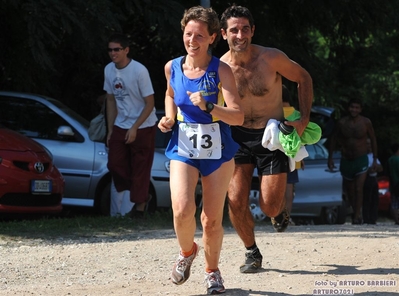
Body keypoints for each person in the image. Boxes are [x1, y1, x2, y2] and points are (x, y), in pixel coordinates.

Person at [220, 5, 313, 273]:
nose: (240, 35)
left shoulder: (271, 58)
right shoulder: (220, 68)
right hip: (235, 136)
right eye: (234, 30)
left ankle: (279, 210)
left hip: (270, 135)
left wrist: (303, 119)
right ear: (224, 34)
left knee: (269, 206)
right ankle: (251, 251)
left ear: (253, 30)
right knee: (236, 200)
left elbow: (303, 78)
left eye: (245, 29)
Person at [157, 6, 244, 294]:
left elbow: (237, 116)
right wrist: (169, 117)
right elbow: (171, 94)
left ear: (211, 39)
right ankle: (186, 252)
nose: (192, 40)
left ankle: (212, 272)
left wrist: (209, 106)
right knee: (182, 209)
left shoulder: (221, 70)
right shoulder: (172, 66)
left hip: (218, 149)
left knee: (211, 219)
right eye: (187, 34)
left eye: (199, 36)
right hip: (183, 144)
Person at [104, 33, 158, 218]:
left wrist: (135, 127)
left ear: (126, 50)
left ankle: (140, 206)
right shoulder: (109, 70)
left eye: (117, 49)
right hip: (121, 123)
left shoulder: (139, 70)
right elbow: (110, 100)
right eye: (110, 50)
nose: (113, 53)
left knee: (140, 167)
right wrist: (110, 129)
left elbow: (150, 103)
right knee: (114, 163)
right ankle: (139, 194)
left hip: (144, 124)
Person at [328, 98, 378, 224]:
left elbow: (373, 139)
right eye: (352, 107)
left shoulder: (366, 122)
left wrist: (375, 159)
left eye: (357, 107)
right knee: (350, 191)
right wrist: (330, 157)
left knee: (358, 188)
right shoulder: (342, 123)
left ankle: (356, 216)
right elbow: (333, 139)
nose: (354, 110)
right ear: (348, 108)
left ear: (360, 109)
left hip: (361, 159)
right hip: (346, 159)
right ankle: (356, 211)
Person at [282, 85, 304, 226]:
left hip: (274, 154)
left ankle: (276, 216)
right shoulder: (297, 114)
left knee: (275, 186)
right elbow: (301, 136)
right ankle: (286, 218)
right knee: (289, 187)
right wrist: (301, 157)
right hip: (293, 153)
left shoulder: (272, 112)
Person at [362, 138, 383, 224]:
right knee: (367, 199)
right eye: (367, 144)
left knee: (375, 199)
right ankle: (366, 218)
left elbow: (381, 168)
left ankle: (373, 218)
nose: (369, 146)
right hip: (366, 179)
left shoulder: (373, 156)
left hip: (374, 178)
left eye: (370, 144)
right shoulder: (363, 157)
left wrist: (376, 168)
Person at [387, 143, 399, 225]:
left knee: (394, 203)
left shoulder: (390, 160)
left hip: (393, 183)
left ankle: (396, 220)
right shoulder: (398, 160)